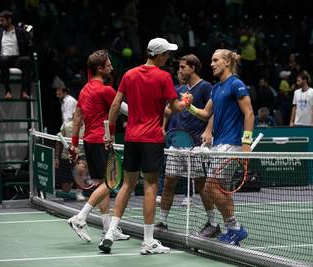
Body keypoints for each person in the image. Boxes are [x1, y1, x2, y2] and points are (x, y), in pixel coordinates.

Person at [100, 37, 186, 254]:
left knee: (127, 185)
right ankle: (148, 241)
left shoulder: (129, 74)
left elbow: (116, 104)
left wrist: (109, 133)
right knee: (150, 187)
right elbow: (175, 108)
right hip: (151, 140)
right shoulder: (164, 77)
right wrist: (186, 102)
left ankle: (110, 232)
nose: (168, 57)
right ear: (157, 55)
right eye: (166, 54)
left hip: (131, 138)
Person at [181, 49, 254, 245]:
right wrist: (189, 107)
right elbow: (205, 114)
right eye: (211, 60)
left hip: (232, 144)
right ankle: (232, 232)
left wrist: (246, 144)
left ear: (227, 63)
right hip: (219, 144)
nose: (212, 64)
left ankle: (236, 227)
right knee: (221, 189)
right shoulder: (216, 88)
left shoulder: (236, 85)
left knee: (211, 187)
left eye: (215, 60)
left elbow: (249, 114)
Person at [67, 50, 129, 243]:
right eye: (108, 64)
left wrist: (75, 144)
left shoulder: (84, 90)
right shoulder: (106, 90)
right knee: (112, 183)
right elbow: (124, 109)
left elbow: (77, 118)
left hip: (89, 142)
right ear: (100, 68)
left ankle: (108, 228)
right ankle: (80, 217)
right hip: (102, 141)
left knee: (103, 185)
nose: (111, 67)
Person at [155, 54, 220, 238]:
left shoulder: (206, 87)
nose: (180, 70)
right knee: (169, 182)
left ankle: (213, 223)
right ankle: (163, 221)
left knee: (201, 185)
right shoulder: (179, 89)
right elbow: (169, 110)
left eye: (183, 67)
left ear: (193, 68)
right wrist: (161, 124)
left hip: (195, 145)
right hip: (177, 144)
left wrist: (208, 131)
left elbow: (212, 111)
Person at [0, 10, 31, 99]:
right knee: (4, 59)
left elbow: (28, 42)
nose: (0, 23)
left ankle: (24, 91)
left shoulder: (20, 32)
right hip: (4, 60)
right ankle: (7, 91)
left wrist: (27, 31)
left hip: (17, 59)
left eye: (2, 20)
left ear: (9, 20)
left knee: (27, 60)